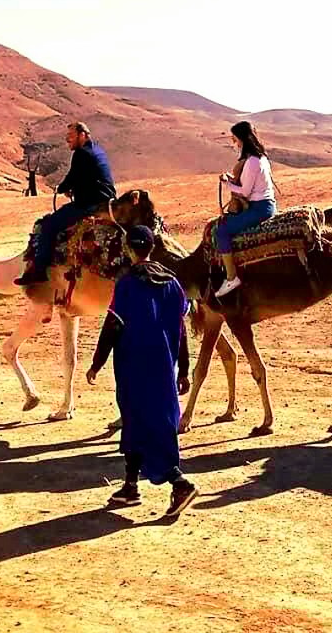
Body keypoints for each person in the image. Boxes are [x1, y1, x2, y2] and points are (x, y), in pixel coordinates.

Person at [86, 226, 198, 516]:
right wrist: (183, 370)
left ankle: (179, 482)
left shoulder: (127, 285)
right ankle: (131, 486)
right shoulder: (173, 284)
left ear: (128, 249)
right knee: (143, 423)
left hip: (134, 368)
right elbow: (181, 330)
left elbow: (112, 326)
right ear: (151, 247)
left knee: (145, 425)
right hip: (164, 369)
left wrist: (96, 363)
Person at [14, 121, 116, 286]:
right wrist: (74, 188)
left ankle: (39, 271)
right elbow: (87, 177)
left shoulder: (81, 153)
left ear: (82, 135)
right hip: (104, 200)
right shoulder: (97, 149)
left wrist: (61, 188)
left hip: (91, 204)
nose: (67, 140)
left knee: (48, 225)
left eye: (71, 136)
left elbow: (72, 177)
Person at [214, 121, 277, 297]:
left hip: (259, 208)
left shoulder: (252, 162)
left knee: (222, 232)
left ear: (242, 139)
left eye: (235, 139)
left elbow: (244, 192)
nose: (234, 143)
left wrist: (227, 183)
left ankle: (231, 276)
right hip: (264, 205)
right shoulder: (261, 158)